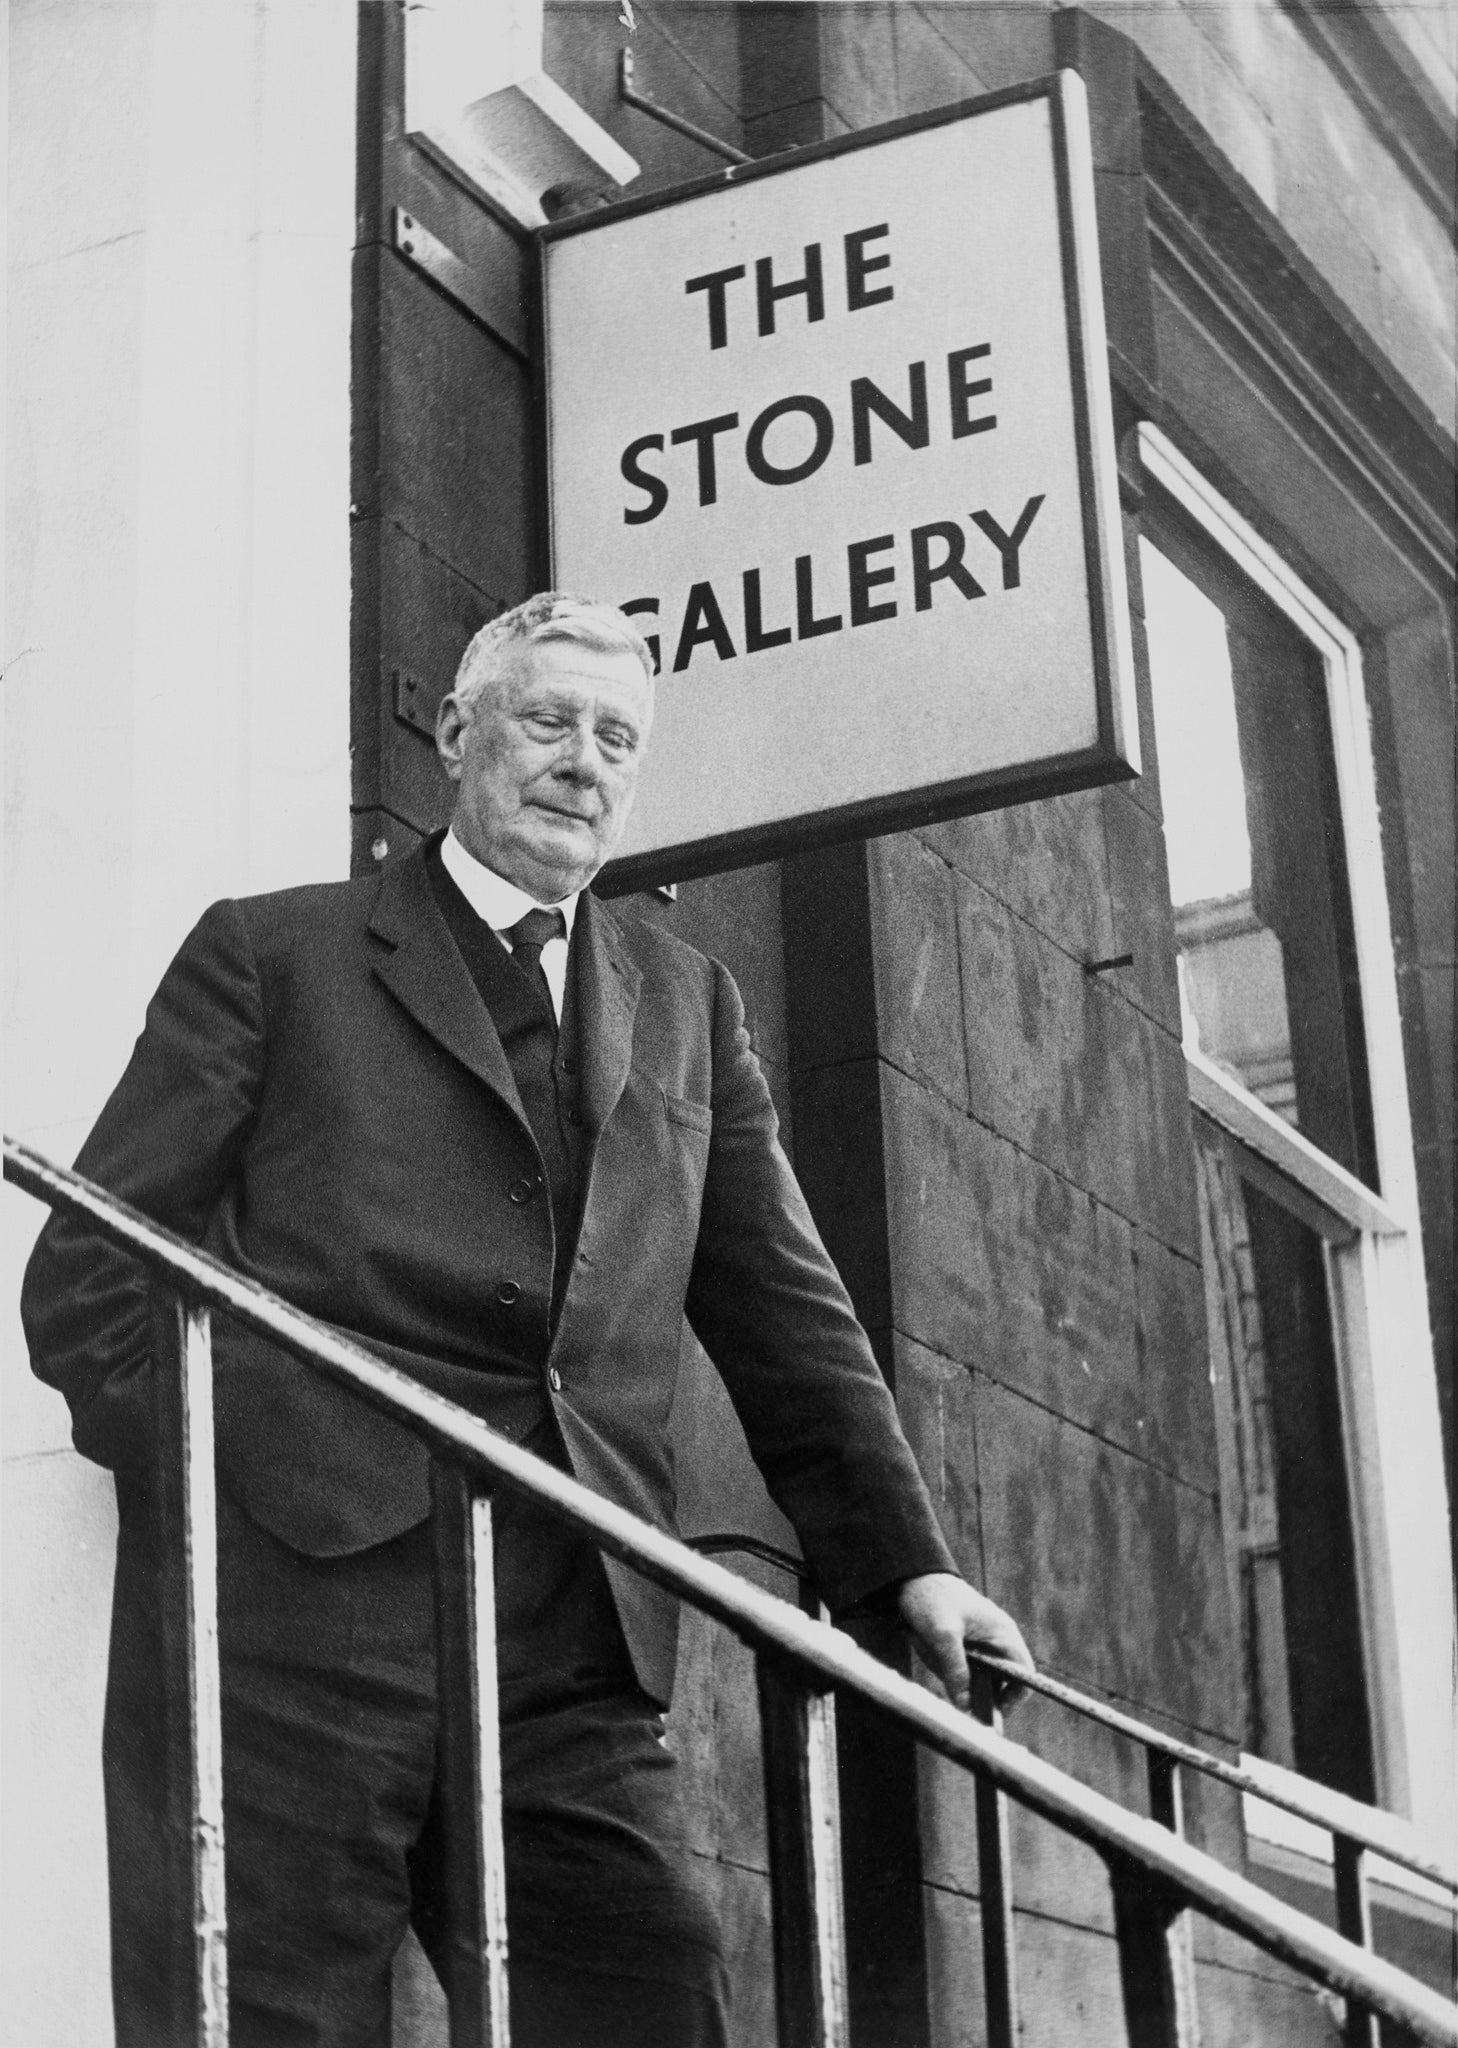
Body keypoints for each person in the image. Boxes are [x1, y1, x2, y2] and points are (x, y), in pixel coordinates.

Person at [22, 592, 1033, 2048]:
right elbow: (91, 1273)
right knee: (267, 2021)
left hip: (572, 1622)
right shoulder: (276, 953)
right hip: (293, 1613)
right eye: (547, 720)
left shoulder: (687, 1004)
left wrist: (908, 1571)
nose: (581, 760)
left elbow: (784, 1312)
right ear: (455, 733)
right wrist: (246, 1486)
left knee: (643, 1994)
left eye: (615, 737)